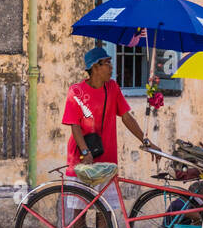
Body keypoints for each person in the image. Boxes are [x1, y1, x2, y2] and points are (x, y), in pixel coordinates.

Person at [62, 44, 152, 214]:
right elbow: (75, 125)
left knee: (105, 211)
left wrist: (145, 140)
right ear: (95, 67)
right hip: (82, 159)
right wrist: (85, 151)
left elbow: (126, 116)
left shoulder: (112, 88)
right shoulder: (76, 91)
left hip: (106, 159)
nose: (112, 67)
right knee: (79, 211)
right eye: (107, 63)